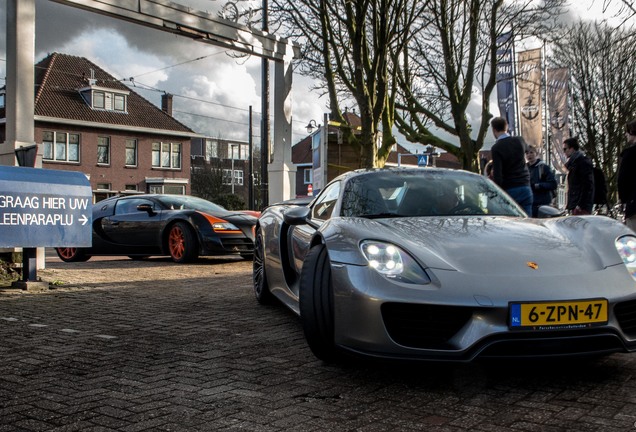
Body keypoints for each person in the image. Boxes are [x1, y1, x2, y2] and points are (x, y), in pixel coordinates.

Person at [490, 117, 533, 215]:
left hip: (509, 189)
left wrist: (498, 192)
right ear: (507, 127)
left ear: (494, 130)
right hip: (525, 186)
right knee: (528, 222)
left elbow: (498, 174)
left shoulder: (496, 148)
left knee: (511, 222)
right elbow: (526, 149)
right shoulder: (519, 140)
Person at [563, 137, 594, 215]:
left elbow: (587, 185)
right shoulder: (574, 164)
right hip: (576, 205)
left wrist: (580, 205)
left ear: (572, 149)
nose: (564, 152)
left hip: (580, 207)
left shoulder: (582, 163)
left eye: (565, 149)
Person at [525, 145, 557, 217]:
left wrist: (537, 186)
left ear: (536, 153)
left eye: (531, 152)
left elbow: (553, 184)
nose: (529, 155)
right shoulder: (524, 168)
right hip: (530, 203)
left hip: (542, 204)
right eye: (527, 153)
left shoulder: (543, 167)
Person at [618, 118, 636, 231]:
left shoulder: (629, 154)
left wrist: (623, 199)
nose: (625, 134)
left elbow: (622, 180)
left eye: (627, 132)